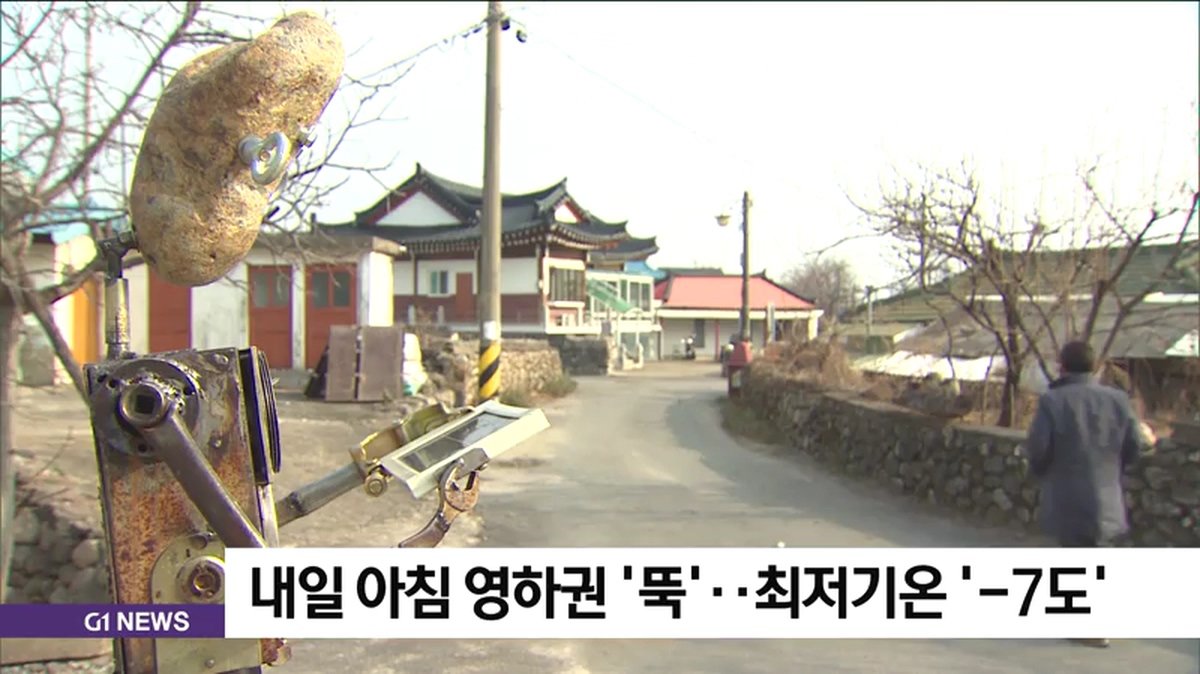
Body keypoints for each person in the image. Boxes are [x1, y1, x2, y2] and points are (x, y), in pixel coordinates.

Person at [1024, 340, 1151, 649]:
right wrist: (1114, 468)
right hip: (1107, 492)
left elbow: (1039, 448)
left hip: (1067, 492)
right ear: (1094, 367)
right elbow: (1134, 446)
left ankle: (1089, 625)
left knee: (1076, 558)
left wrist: (1040, 472)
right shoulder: (1118, 399)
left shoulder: (1053, 401)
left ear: (1062, 366)